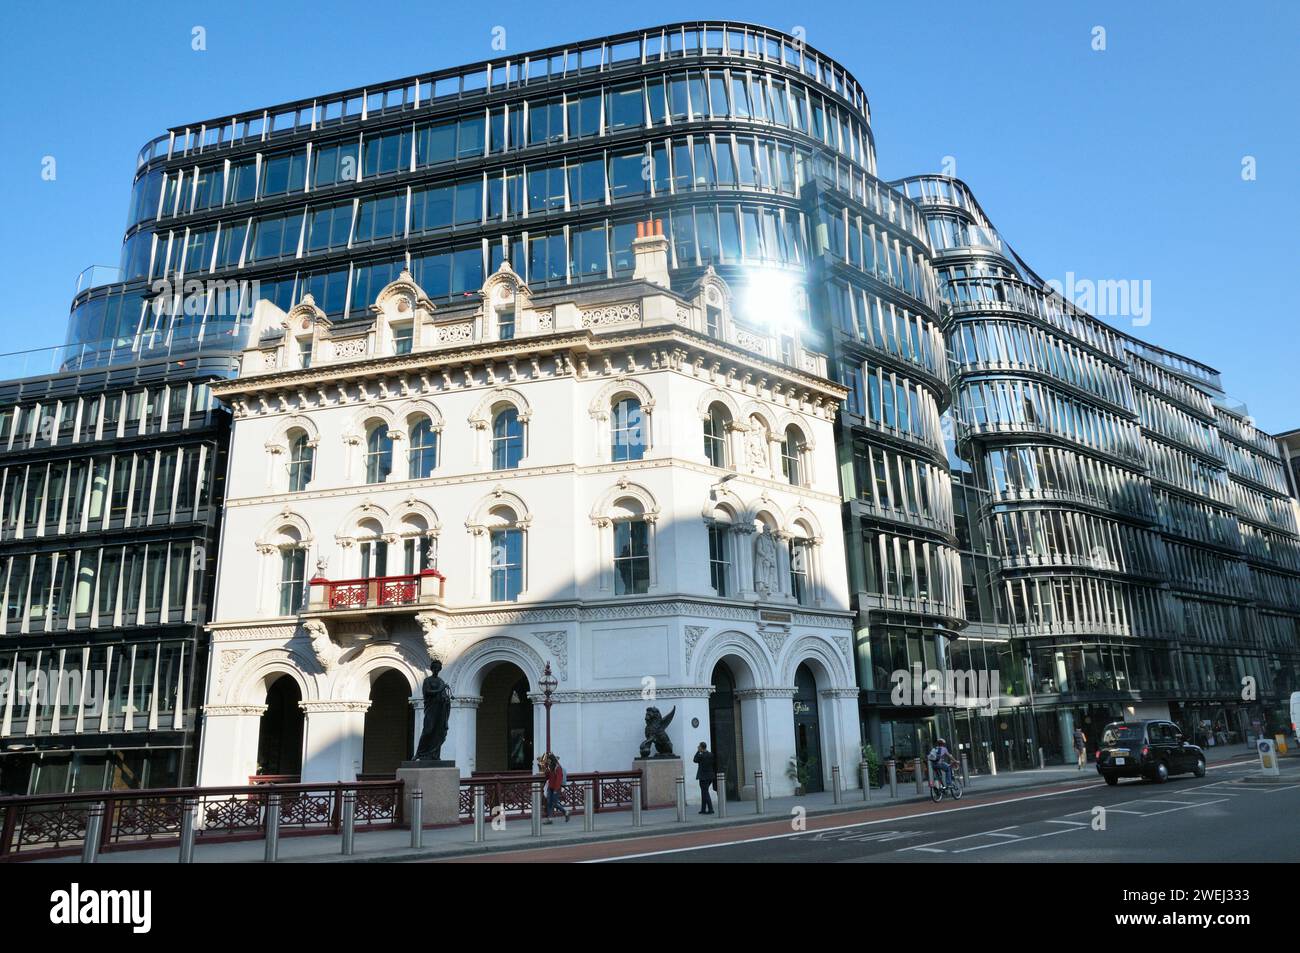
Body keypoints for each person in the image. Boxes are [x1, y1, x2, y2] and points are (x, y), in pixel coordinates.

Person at [541, 752, 568, 824]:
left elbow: (558, 780)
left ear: (552, 760)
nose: (548, 761)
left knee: (555, 804)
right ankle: (550, 819)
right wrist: (546, 769)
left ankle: (565, 812)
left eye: (549, 760)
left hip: (556, 788)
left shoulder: (558, 768)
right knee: (549, 803)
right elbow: (547, 777)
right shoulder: (550, 767)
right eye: (548, 760)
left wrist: (556, 790)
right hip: (550, 787)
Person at [693, 742, 716, 815]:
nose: (698, 747)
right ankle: (703, 809)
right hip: (710, 776)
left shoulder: (701, 756)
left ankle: (710, 809)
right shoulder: (711, 754)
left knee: (705, 792)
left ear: (701, 747)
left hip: (703, 777)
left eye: (699, 746)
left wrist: (698, 751)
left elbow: (694, 760)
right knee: (704, 792)